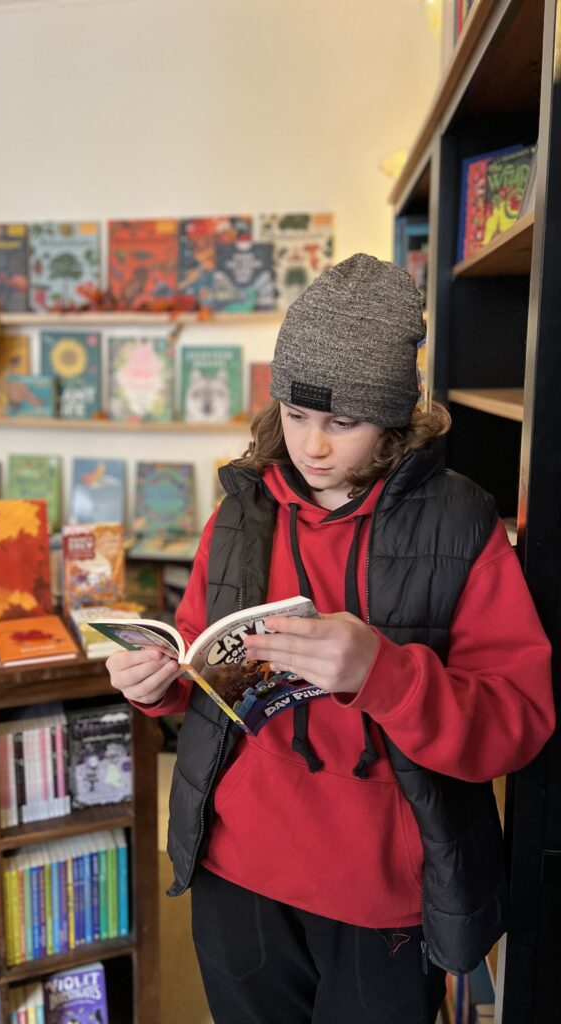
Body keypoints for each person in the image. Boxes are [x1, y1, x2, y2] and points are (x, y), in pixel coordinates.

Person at [105, 253, 555, 1023]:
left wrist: (387, 673)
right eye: (296, 415)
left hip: (383, 894)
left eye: (342, 423)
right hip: (235, 872)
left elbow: (519, 722)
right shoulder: (241, 510)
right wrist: (160, 680)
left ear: (393, 414)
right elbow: (199, 650)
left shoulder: (462, 523)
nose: (313, 445)